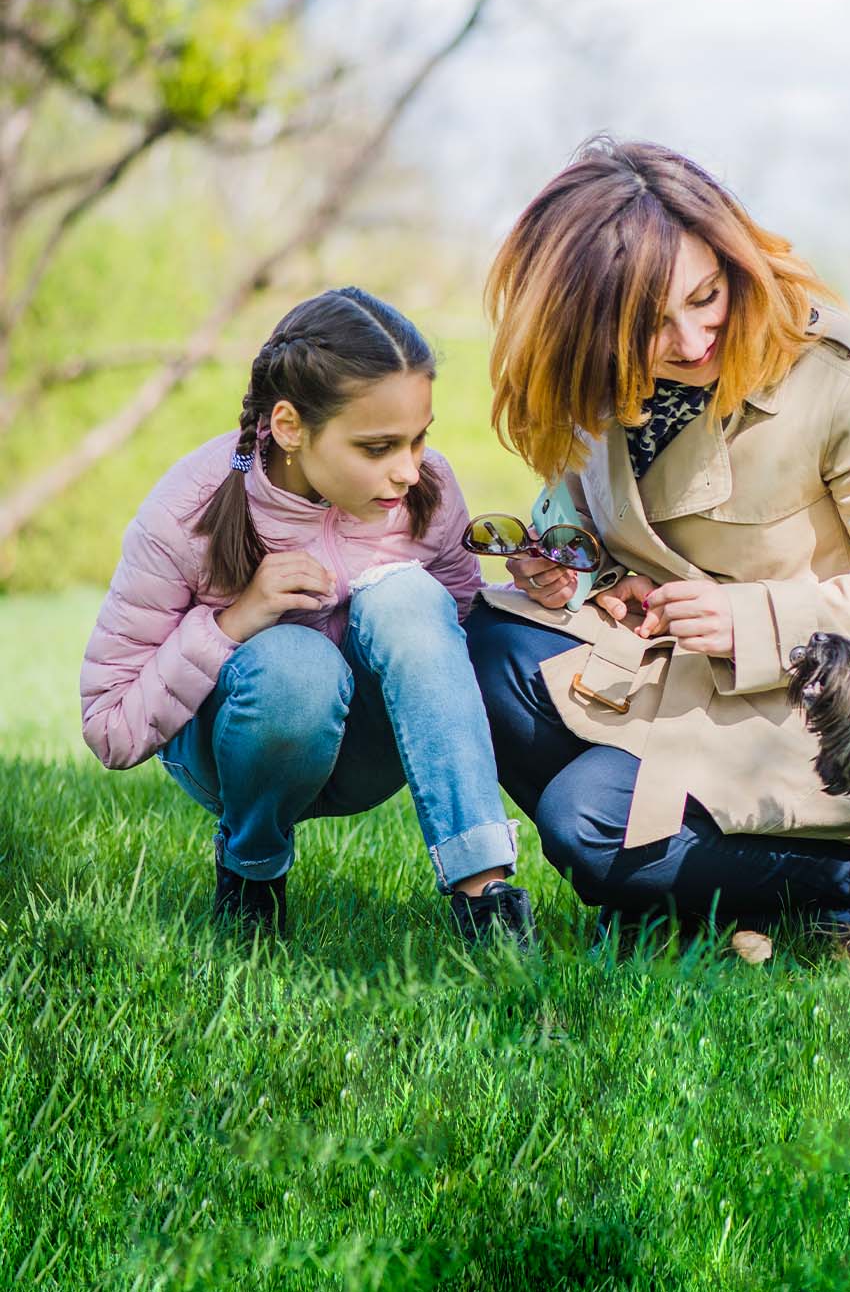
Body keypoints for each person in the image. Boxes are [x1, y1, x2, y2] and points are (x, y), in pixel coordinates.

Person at [465, 138, 850, 956]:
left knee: (584, 823)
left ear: (734, 262)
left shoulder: (849, 374)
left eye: (706, 296)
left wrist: (749, 619)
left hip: (845, 706)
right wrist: (577, 571)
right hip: (686, 680)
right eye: (649, 325)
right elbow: (598, 526)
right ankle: (691, 888)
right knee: (483, 649)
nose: (694, 337)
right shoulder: (594, 387)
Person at [79, 287, 532, 944]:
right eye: (377, 447)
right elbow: (109, 730)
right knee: (296, 662)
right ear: (290, 427)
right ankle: (251, 873)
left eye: (418, 440)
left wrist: (536, 591)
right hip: (241, 745)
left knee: (408, 596)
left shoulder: (427, 489)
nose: (409, 469)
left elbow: (453, 636)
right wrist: (237, 621)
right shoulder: (188, 509)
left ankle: (483, 897)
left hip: (370, 753)